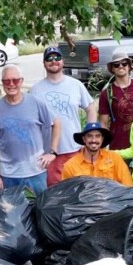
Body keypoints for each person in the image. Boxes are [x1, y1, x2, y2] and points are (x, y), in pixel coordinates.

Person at [0, 64, 61, 195]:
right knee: (12, 213)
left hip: (37, 172)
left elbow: (57, 123)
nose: (11, 84)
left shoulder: (36, 103)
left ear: (22, 81)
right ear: (2, 83)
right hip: (9, 175)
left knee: (40, 210)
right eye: (7, 81)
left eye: (15, 80)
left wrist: (52, 152)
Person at [29, 45, 97, 186]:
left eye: (57, 57)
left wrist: (89, 134)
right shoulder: (35, 90)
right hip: (48, 154)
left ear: (63, 61)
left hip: (75, 149)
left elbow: (90, 108)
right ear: (44, 63)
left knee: (77, 189)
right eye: (49, 58)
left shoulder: (76, 85)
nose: (54, 61)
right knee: (54, 194)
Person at [60, 122, 133, 187]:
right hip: (84, 203)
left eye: (97, 136)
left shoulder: (114, 158)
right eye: (89, 136)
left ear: (102, 139)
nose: (94, 140)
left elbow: (128, 186)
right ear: (84, 139)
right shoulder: (70, 166)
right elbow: (66, 195)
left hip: (111, 201)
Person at [98, 50, 133, 150]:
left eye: (124, 63)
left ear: (129, 66)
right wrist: (104, 145)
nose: (121, 66)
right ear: (112, 69)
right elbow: (103, 123)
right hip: (118, 145)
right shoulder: (106, 93)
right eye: (116, 65)